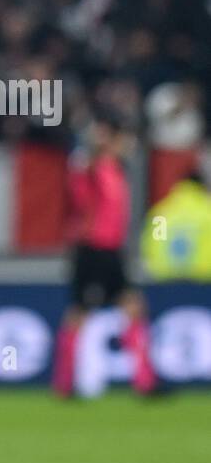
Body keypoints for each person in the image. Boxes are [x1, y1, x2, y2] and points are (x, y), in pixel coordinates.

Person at [51, 117, 159, 398]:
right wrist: (95, 144)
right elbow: (78, 194)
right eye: (120, 139)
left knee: (133, 306)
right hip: (92, 251)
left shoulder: (116, 170)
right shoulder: (88, 168)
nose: (127, 145)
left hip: (111, 251)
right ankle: (64, 384)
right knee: (79, 313)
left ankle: (145, 383)